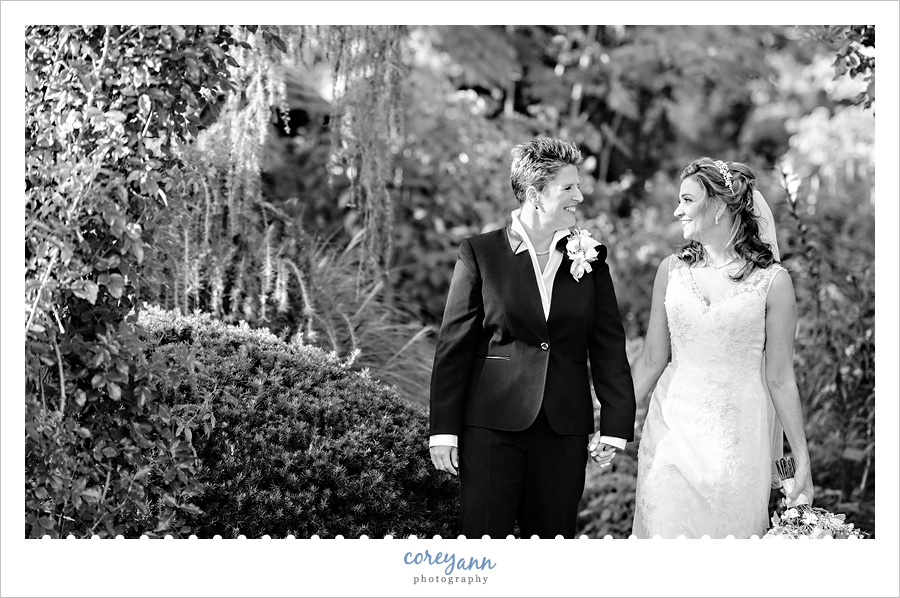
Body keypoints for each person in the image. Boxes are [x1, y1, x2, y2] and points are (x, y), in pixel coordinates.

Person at [428, 137, 636, 539]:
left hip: (563, 430)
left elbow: (609, 346)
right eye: (568, 188)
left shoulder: (591, 259)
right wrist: (443, 430)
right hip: (491, 427)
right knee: (483, 544)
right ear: (535, 194)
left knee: (552, 549)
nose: (579, 195)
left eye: (578, 186)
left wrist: (613, 426)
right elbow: (453, 348)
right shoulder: (480, 253)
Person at [603, 156, 814, 539]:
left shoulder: (773, 283)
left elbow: (781, 376)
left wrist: (801, 460)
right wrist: (612, 428)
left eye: (686, 200)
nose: (676, 210)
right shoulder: (671, 271)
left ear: (717, 206)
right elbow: (652, 359)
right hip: (671, 433)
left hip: (738, 442)